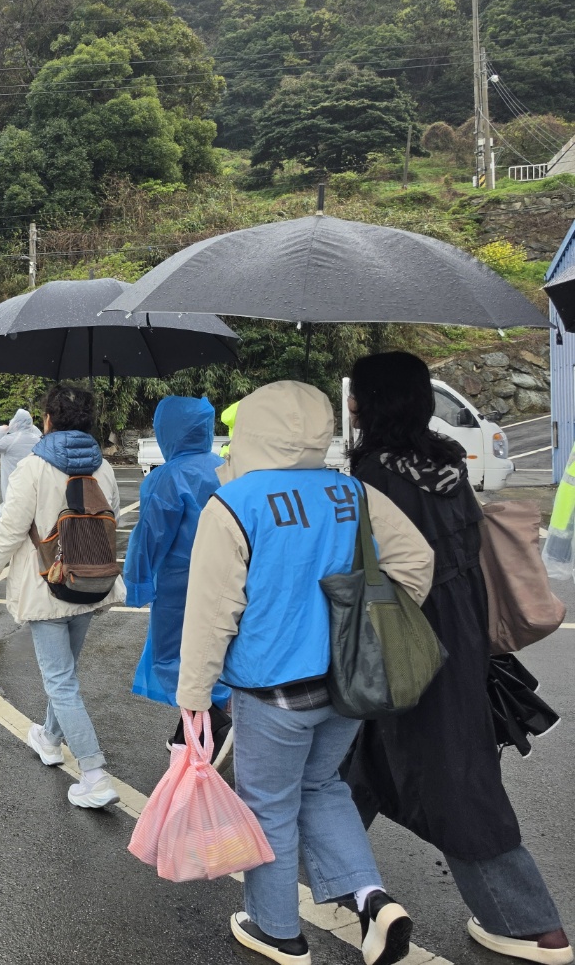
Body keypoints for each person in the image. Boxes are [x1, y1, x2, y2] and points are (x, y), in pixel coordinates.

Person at [177, 380, 434, 965]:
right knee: (322, 787)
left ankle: (278, 931)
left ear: (252, 429)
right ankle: (371, 899)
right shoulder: (352, 491)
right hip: (347, 683)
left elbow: (213, 613)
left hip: (272, 690)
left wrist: (194, 694)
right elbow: (415, 561)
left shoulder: (234, 502)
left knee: (268, 806)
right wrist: (375, 628)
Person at [342, 352, 571, 965]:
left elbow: (367, 567)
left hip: (404, 640)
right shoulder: (447, 462)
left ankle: (532, 926)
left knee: (456, 780)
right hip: (463, 635)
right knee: (358, 763)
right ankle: (327, 874)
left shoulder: (372, 475)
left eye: (357, 393)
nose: (351, 404)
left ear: (374, 403)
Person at [0, 384, 123, 810]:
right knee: (66, 675)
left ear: (48, 420)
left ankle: (94, 774)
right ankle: (50, 738)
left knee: (60, 680)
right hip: (91, 581)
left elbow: (11, 527)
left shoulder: (33, 467)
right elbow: (111, 517)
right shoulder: (104, 468)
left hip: (47, 584)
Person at [123, 396, 233, 760]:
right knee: (218, 651)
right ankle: (200, 728)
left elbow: (149, 538)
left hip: (179, 584)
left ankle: (212, 722)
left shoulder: (166, 478)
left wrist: (137, 585)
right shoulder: (226, 468)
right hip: (230, 579)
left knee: (173, 658)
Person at [0, 408, 41, 514]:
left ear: (16, 423)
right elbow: (38, 434)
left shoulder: (11, 440)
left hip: (12, 486)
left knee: (13, 514)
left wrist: (0, 430)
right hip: (33, 486)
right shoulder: (38, 439)